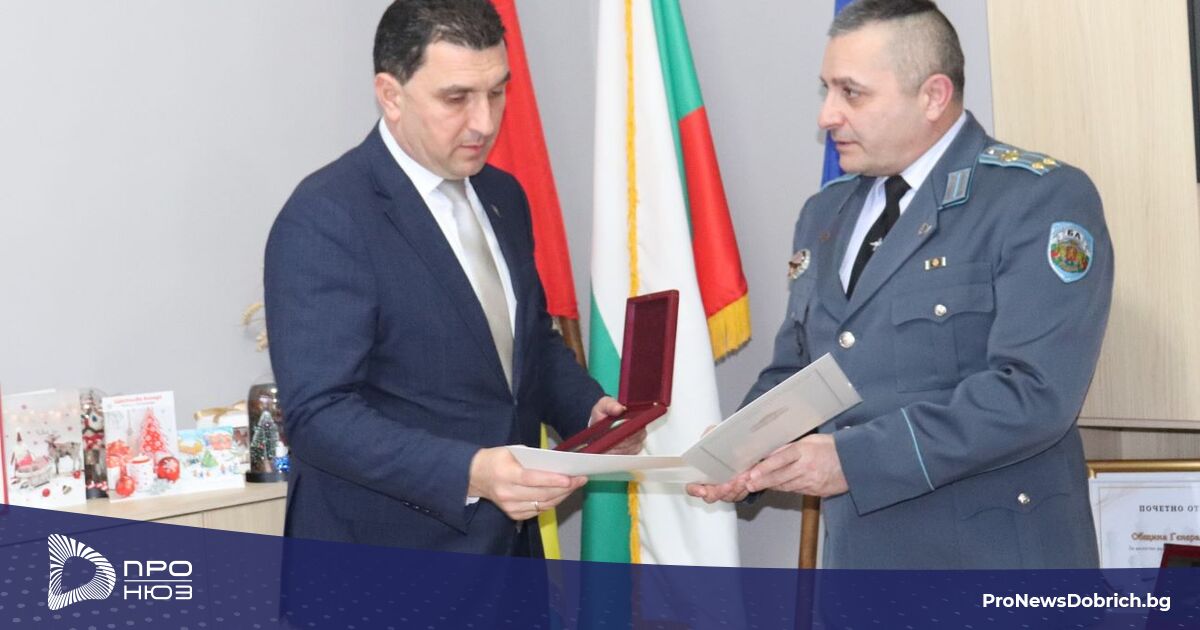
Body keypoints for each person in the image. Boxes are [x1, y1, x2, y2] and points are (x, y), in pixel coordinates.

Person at [689, 0, 1112, 569]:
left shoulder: (1034, 199)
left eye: (852, 93)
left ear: (933, 96)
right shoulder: (826, 212)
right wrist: (739, 451)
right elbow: (801, 372)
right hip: (861, 567)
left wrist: (852, 460)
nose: (827, 115)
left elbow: (1033, 394)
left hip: (992, 564)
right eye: (827, 90)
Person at [264, 0, 638, 557]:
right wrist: (470, 471)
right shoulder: (327, 216)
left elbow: (527, 343)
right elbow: (319, 415)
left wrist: (588, 411)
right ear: (391, 95)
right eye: (457, 98)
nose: (484, 122)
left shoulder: (503, 195)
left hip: (509, 557)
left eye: (497, 92)